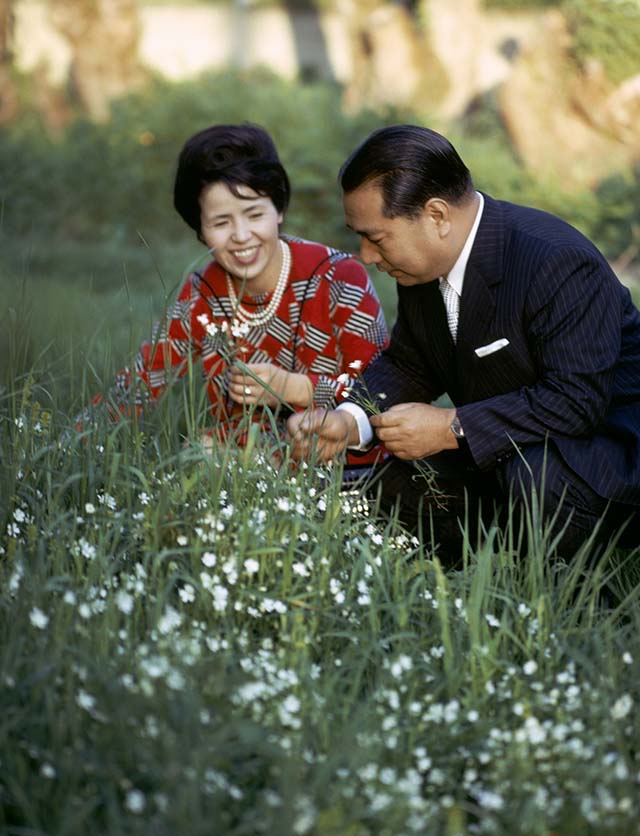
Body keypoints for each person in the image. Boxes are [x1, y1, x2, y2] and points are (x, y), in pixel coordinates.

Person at [287, 124, 640, 559]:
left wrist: (450, 426)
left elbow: (576, 402)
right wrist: (348, 420)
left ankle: (561, 599)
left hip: (604, 456)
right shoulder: (422, 269)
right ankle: (470, 575)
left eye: (376, 237)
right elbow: (409, 363)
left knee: (534, 478)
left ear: (436, 216)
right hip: (509, 448)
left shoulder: (556, 260)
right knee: (398, 480)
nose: (367, 256)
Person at [92, 123, 388, 464]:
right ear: (201, 231)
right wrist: (68, 446)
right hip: (238, 463)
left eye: (254, 214)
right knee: (199, 455)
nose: (242, 235)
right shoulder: (202, 294)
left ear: (279, 210)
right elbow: (140, 383)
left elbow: (380, 393)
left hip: (340, 462)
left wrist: (291, 387)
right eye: (221, 223)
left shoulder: (339, 277)